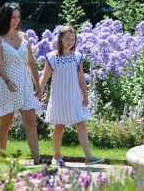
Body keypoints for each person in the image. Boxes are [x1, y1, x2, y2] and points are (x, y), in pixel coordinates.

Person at [39, 25, 104, 167]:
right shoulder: (52, 57)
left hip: (74, 97)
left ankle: (89, 157)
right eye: (67, 38)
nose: (70, 41)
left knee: (81, 124)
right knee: (59, 127)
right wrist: (39, 90)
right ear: (60, 39)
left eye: (73, 39)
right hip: (59, 98)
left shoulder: (77, 57)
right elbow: (45, 76)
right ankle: (56, 157)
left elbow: (81, 78)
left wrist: (85, 96)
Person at [0, 3, 44, 163]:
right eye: (13, 17)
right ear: (5, 17)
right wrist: (7, 81)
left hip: (25, 84)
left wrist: (38, 86)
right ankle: (1, 158)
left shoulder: (24, 37)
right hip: (7, 85)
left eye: (18, 17)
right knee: (5, 123)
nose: (16, 20)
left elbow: (31, 63)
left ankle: (37, 160)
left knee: (31, 121)